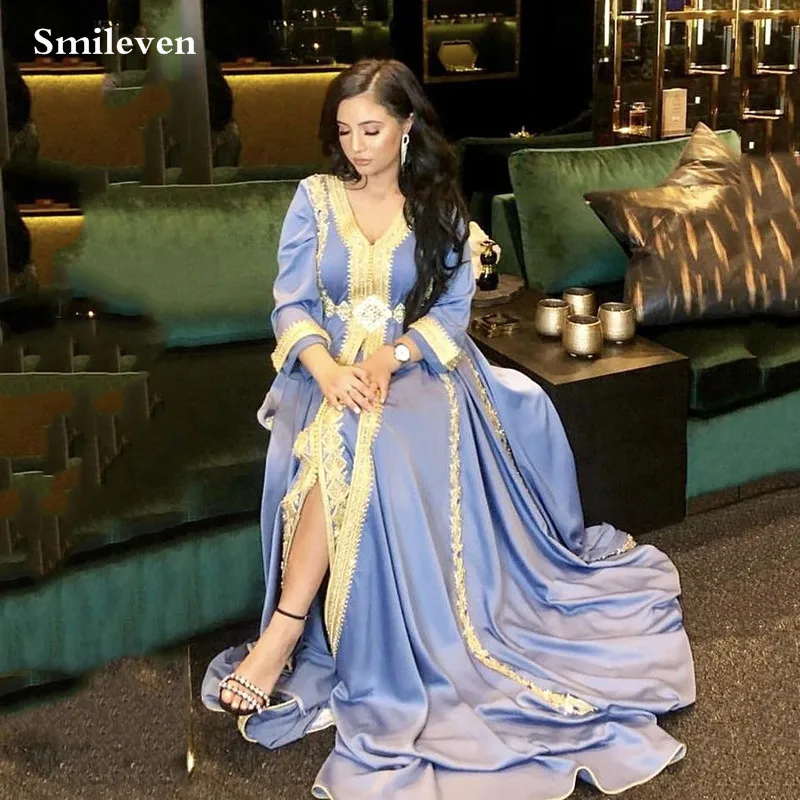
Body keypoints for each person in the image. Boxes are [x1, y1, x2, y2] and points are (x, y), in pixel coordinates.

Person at [202, 59, 695, 800]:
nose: (357, 146)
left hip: (419, 373)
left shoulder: (439, 208)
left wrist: (391, 356)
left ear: (407, 127)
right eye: (345, 131)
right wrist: (328, 370)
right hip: (323, 372)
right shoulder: (315, 199)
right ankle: (285, 631)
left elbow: (451, 313)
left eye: (372, 130)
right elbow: (290, 305)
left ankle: (283, 632)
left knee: (372, 436)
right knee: (340, 429)